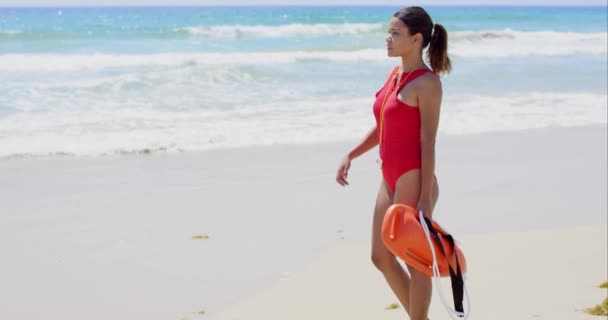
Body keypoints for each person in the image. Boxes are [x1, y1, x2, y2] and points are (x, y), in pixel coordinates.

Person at [335, 6, 451, 320]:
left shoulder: (427, 83)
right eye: (389, 32)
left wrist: (426, 197)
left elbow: (428, 142)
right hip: (389, 175)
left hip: (414, 177)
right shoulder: (395, 74)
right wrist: (351, 154)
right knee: (380, 256)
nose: (388, 38)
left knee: (414, 259)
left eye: (395, 33)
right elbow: (384, 125)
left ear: (416, 39)